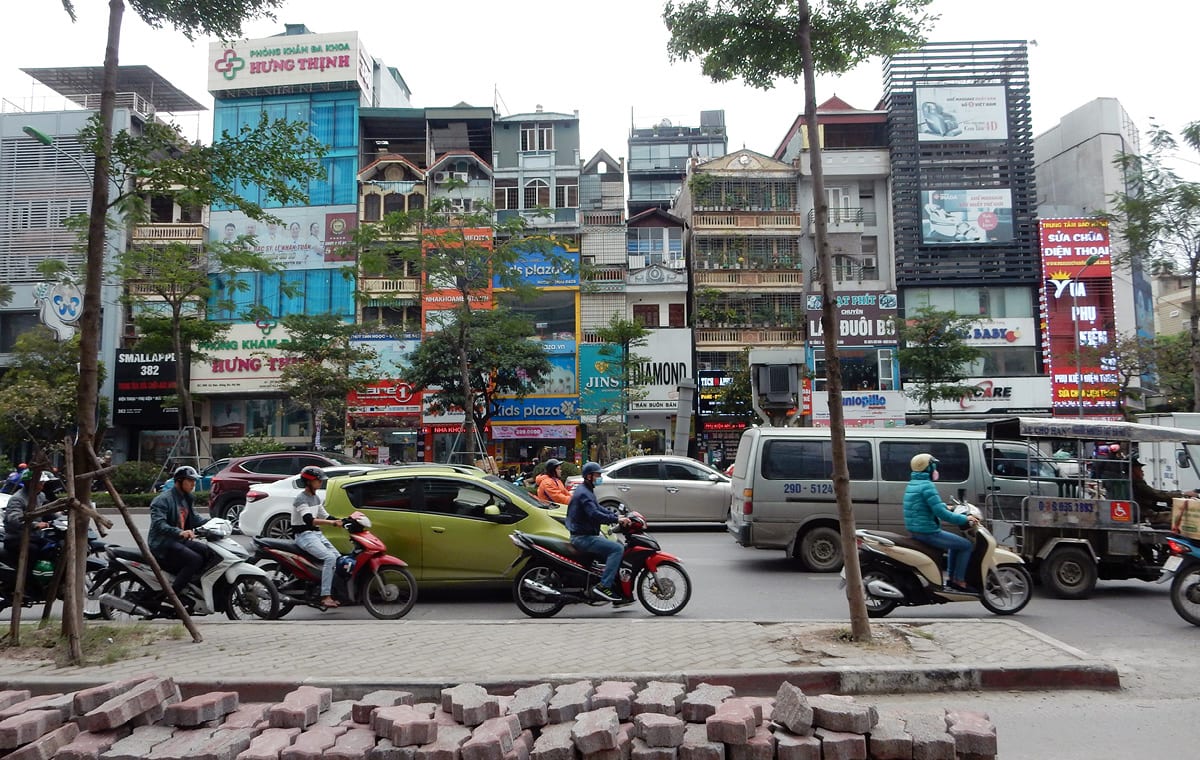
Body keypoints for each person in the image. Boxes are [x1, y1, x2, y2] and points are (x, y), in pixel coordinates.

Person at [903, 453, 979, 593]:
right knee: (966, 545)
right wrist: (965, 519)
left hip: (917, 530)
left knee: (954, 545)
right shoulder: (927, 486)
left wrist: (946, 506)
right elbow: (941, 514)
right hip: (928, 532)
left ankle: (952, 578)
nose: (936, 470)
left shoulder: (914, 483)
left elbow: (926, 505)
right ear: (928, 468)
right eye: (934, 466)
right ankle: (959, 581)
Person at [566, 461, 630, 602]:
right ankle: (603, 586)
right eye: (597, 475)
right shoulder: (584, 493)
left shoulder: (586, 490)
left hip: (584, 534)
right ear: (589, 476)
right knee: (617, 549)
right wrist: (615, 519)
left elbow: (599, 508)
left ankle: (610, 585)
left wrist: (617, 516)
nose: (600, 477)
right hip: (583, 537)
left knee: (612, 546)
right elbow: (594, 514)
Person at [148, 466, 209, 608]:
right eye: (190, 481)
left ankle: (191, 586)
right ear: (179, 481)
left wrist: (216, 522)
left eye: (194, 481)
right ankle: (173, 597)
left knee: (208, 552)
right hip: (163, 543)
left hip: (179, 541)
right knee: (195, 560)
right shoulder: (162, 500)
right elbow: (159, 524)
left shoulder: (187, 498)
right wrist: (179, 532)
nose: (193, 484)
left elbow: (195, 519)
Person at [291, 466, 342, 608]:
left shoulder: (315, 497)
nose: (320, 483)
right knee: (329, 557)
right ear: (309, 482)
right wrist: (332, 523)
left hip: (316, 534)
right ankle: (325, 596)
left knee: (338, 558)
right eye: (318, 481)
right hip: (304, 536)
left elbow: (325, 515)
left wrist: (344, 520)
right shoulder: (301, 499)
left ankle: (326, 587)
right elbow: (309, 520)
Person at [1132, 457, 1197, 527]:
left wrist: (1179, 493)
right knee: (1183, 517)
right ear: (1132, 471)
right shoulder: (1137, 484)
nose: (1142, 471)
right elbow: (1157, 495)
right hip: (1146, 516)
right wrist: (1182, 494)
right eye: (1139, 469)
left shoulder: (1136, 483)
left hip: (1146, 512)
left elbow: (1157, 493)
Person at [3, 469, 51, 559]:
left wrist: (60, 515)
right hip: (17, 538)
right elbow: (14, 519)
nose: (42, 485)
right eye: (40, 483)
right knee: (34, 550)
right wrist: (35, 525)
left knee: (51, 546)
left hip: (34, 536)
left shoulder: (40, 496)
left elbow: (47, 509)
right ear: (30, 484)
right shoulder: (17, 499)